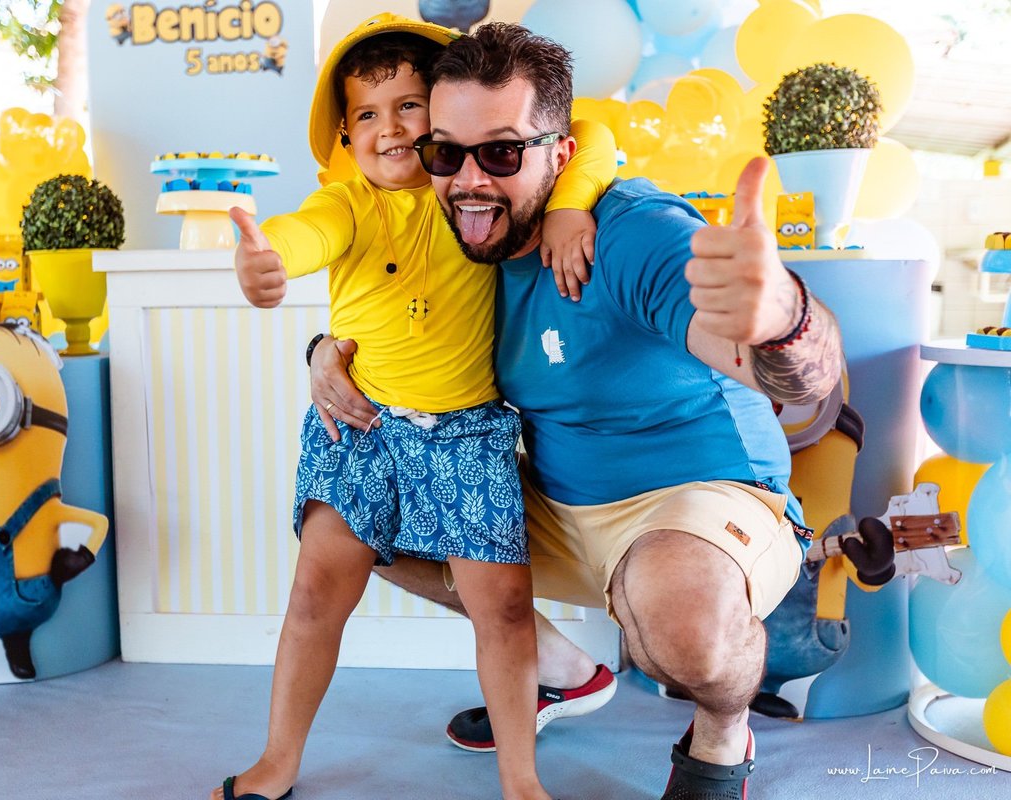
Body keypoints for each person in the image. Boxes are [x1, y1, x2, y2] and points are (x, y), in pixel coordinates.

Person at [310, 22, 844, 800]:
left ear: (559, 157)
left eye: (500, 152)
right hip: (556, 504)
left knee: (683, 632)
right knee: (360, 513)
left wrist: (782, 318)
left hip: (696, 498)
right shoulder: (468, 240)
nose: (469, 180)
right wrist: (324, 349)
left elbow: (795, 375)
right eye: (446, 152)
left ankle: (724, 729)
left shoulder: (630, 236)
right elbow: (391, 319)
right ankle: (560, 671)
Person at [216, 14, 618, 800]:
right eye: (367, 113)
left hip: (467, 435)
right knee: (313, 597)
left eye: (409, 106)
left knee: (500, 610)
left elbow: (593, 133)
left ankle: (519, 776)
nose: (391, 127)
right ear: (342, 133)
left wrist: (570, 204)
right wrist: (264, 261)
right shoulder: (348, 205)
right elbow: (302, 235)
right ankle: (279, 761)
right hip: (358, 431)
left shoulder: (463, 190)